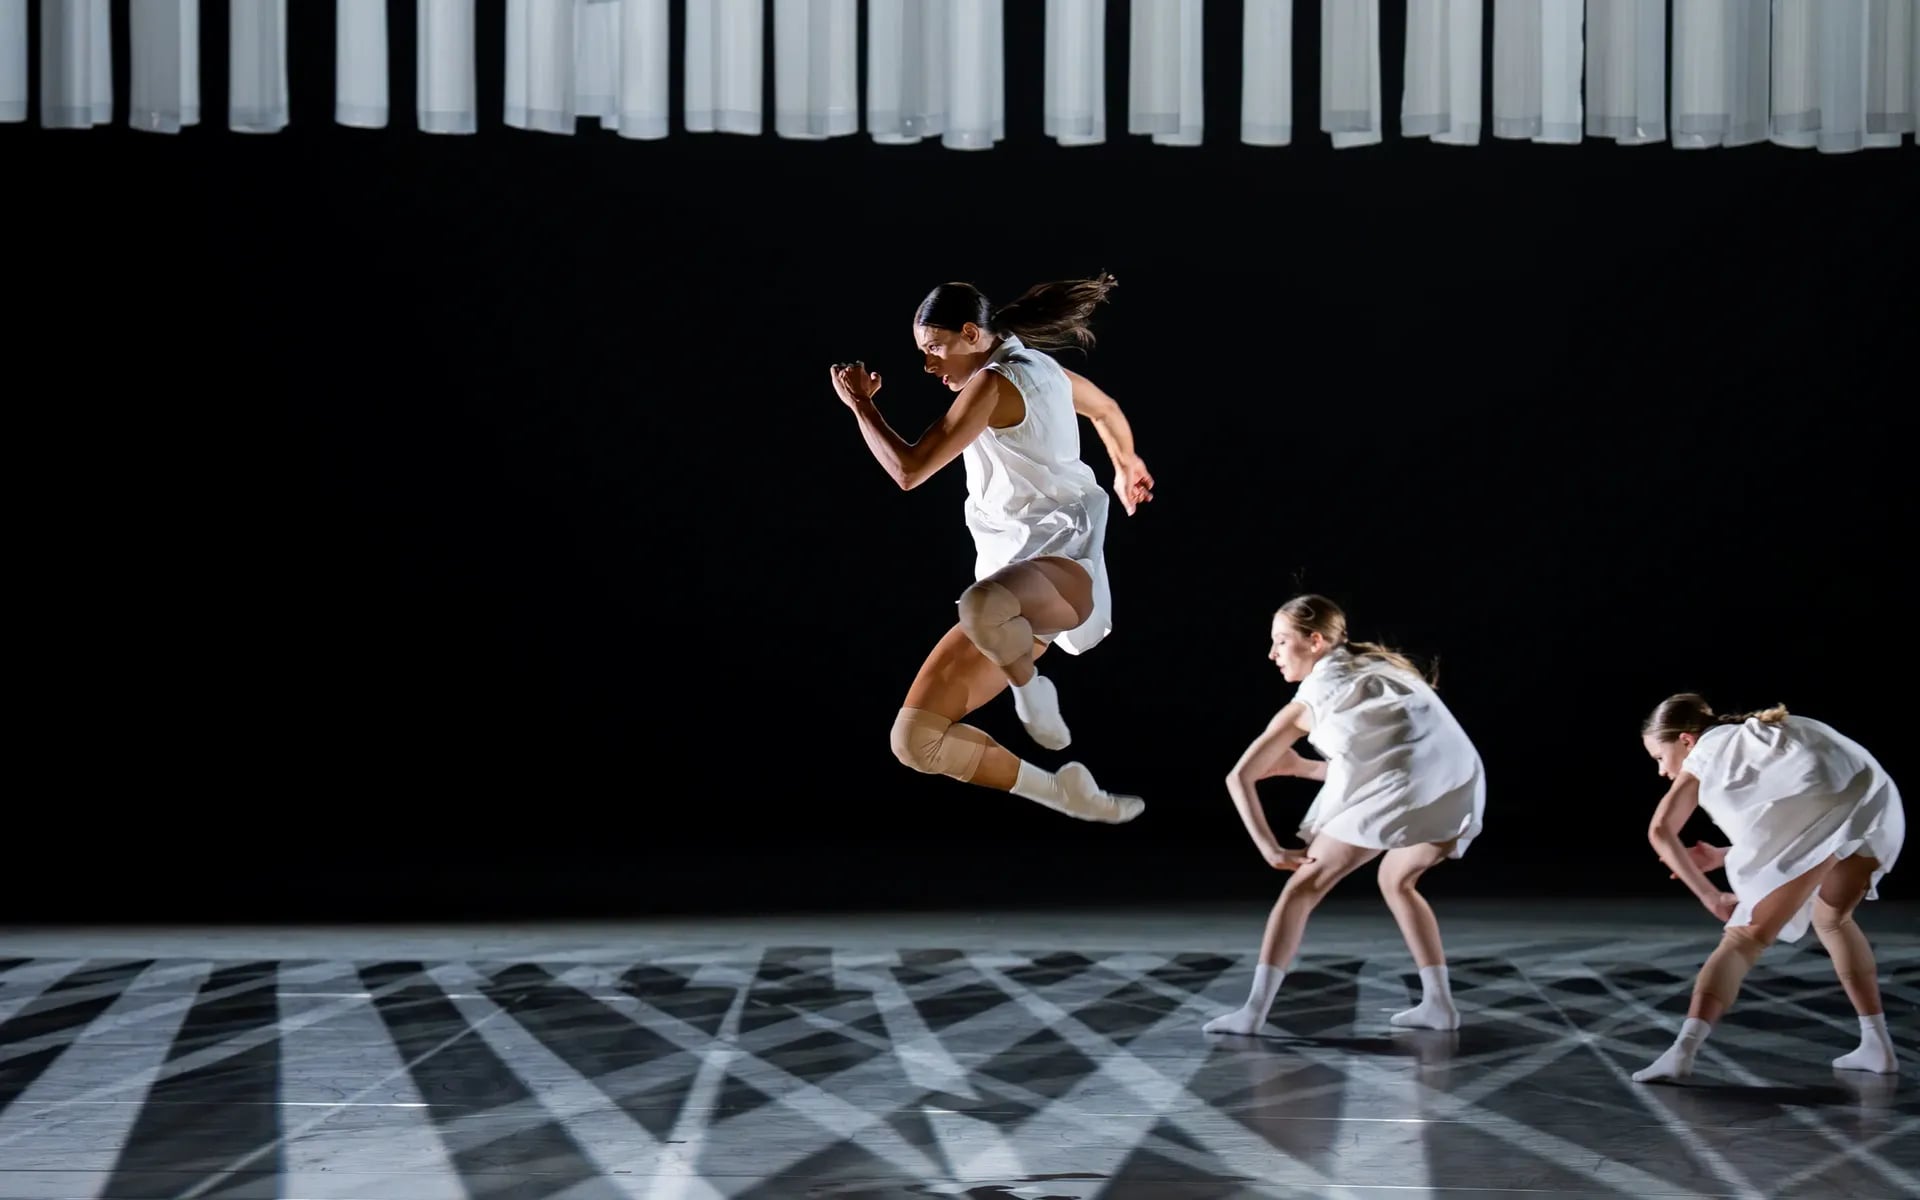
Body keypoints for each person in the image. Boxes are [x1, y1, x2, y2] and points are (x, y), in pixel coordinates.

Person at [829, 273, 1155, 823]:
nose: (929, 365)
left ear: (971, 334)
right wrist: (1127, 463)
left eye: (935, 349)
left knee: (981, 604)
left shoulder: (997, 380)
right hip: (1010, 593)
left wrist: (861, 405)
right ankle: (1062, 793)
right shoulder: (1045, 370)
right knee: (916, 741)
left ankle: (1033, 694)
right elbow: (1105, 409)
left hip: (1060, 567)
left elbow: (910, 471)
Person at [1205, 595, 1486, 1035]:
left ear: (1315, 642)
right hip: (1457, 782)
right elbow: (1387, 758)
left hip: (1407, 788)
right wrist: (1301, 768)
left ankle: (1252, 1014)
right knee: (1397, 880)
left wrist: (1271, 848)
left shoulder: (1314, 695)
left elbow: (1239, 777)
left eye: (1281, 642)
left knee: (1301, 890)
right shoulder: (1379, 669)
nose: (1272, 654)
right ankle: (1440, 1005)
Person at [1633, 694, 1904, 1082]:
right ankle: (1877, 1044)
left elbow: (1661, 831)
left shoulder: (1708, 751)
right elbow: (1798, 809)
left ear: (1687, 740)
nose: (1661, 770)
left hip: (1840, 809)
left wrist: (1712, 895)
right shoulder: (1762, 735)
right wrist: (1724, 854)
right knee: (1832, 919)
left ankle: (1681, 1054)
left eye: (1660, 757)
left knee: (1743, 938)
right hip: (1877, 808)